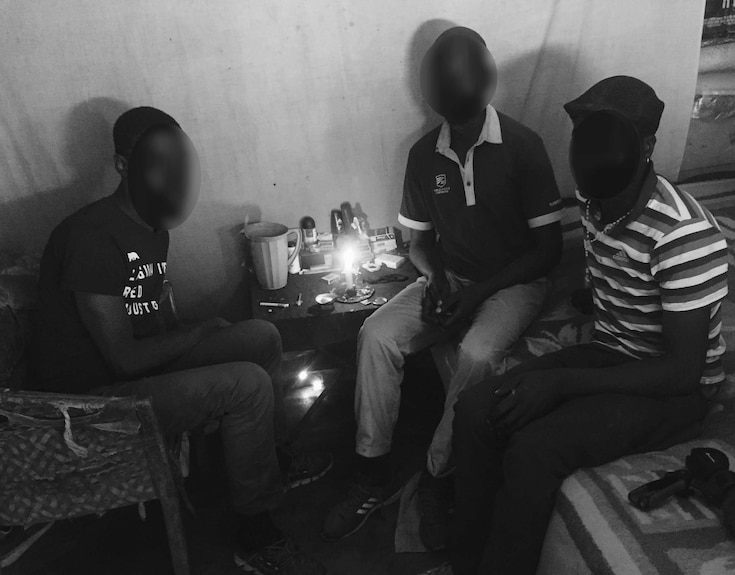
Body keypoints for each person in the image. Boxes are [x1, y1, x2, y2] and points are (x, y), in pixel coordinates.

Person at [448, 76, 730, 575]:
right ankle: (466, 559)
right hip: (613, 349)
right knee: (476, 408)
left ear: (644, 148)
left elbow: (682, 373)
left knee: (534, 450)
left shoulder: (684, 235)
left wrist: (560, 382)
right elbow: (612, 263)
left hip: (674, 391)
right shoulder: (595, 190)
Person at [33, 106, 330, 575]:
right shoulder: (90, 236)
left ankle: (267, 460)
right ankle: (255, 535)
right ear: (122, 165)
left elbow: (146, 327)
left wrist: (199, 333)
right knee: (246, 385)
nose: (172, 174)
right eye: (157, 162)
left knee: (260, 336)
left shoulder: (152, 227)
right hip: (91, 402)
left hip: (136, 370)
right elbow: (125, 359)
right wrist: (198, 331)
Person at [322, 27, 563, 547]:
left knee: (476, 354)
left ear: (486, 77)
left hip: (513, 282)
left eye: (463, 72)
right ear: (429, 91)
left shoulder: (523, 146)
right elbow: (418, 242)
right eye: (441, 77)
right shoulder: (423, 154)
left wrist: (475, 295)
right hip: (452, 277)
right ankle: (371, 470)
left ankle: (437, 474)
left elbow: (548, 252)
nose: (453, 85)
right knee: (377, 334)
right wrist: (433, 280)